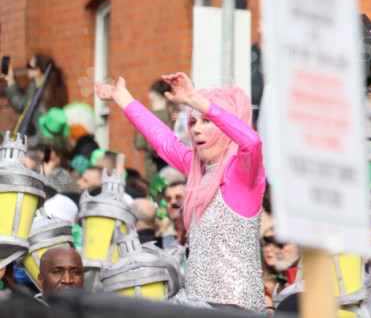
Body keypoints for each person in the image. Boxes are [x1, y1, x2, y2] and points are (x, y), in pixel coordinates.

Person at [95, 72, 266, 312]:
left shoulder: (243, 173)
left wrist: (195, 100)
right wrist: (122, 96)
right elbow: (163, 140)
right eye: (193, 122)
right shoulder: (199, 171)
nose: (196, 130)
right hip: (196, 307)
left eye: (206, 121)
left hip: (237, 311)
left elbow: (252, 142)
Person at [3, 54, 68, 137]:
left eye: (29, 66)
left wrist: (30, 145)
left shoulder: (47, 95)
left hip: (40, 146)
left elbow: (44, 132)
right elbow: (22, 105)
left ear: (38, 71)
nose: (27, 69)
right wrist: (10, 80)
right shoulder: (34, 86)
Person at [135, 80, 173, 181]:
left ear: (151, 95)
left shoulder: (145, 117)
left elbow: (139, 144)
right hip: (173, 169)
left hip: (153, 171)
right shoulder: (173, 116)